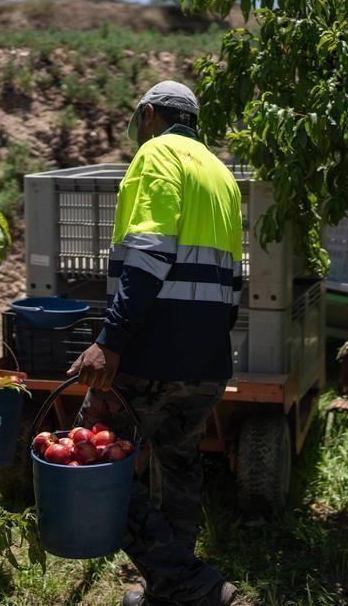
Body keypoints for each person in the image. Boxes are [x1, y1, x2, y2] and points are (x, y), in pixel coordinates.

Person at [68, 81, 241, 606]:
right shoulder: (219, 173)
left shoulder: (156, 155)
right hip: (206, 359)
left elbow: (147, 257)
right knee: (180, 462)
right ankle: (173, 587)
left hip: (152, 353)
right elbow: (231, 279)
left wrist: (111, 339)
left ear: (148, 115)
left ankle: (189, 581)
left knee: (95, 460)